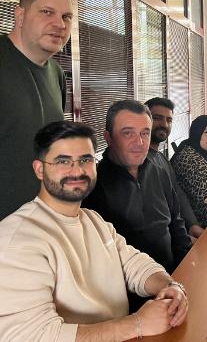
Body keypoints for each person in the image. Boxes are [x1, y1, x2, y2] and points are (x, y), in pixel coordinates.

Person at [0, 121, 187, 340]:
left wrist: (170, 286)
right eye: (63, 161)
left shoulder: (93, 220)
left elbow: (134, 264)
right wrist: (137, 324)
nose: (77, 170)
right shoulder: (17, 240)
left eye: (85, 160)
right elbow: (31, 335)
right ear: (39, 169)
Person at [83, 100, 192, 274]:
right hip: (132, 285)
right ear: (108, 138)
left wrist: (187, 267)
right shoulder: (93, 187)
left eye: (145, 133)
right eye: (128, 133)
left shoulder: (158, 170)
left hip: (174, 275)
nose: (139, 142)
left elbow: (176, 223)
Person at [0, 0, 73, 220]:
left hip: (43, 221)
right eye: (47, 12)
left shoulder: (57, 74)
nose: (59, 24)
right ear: (20, 16)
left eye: (66, 17)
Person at [145, 97, 203, 239]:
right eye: (157, 118)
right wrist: (183, 239)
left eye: (169, 120)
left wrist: (192, 224)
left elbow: (177, 193)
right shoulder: (140, 162)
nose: (164, 124)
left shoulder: (161, 158)